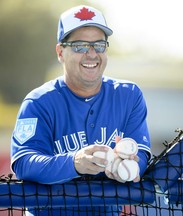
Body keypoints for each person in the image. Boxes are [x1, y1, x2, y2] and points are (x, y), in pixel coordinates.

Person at [10, 5, 151, 215]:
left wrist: (130, 168)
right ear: (60, 52)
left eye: (99, 45)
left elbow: (142, 151)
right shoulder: (38, 102)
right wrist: (74, 162)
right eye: (80, 46)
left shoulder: (129, 95)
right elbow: (23, 161)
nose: (92, 54)